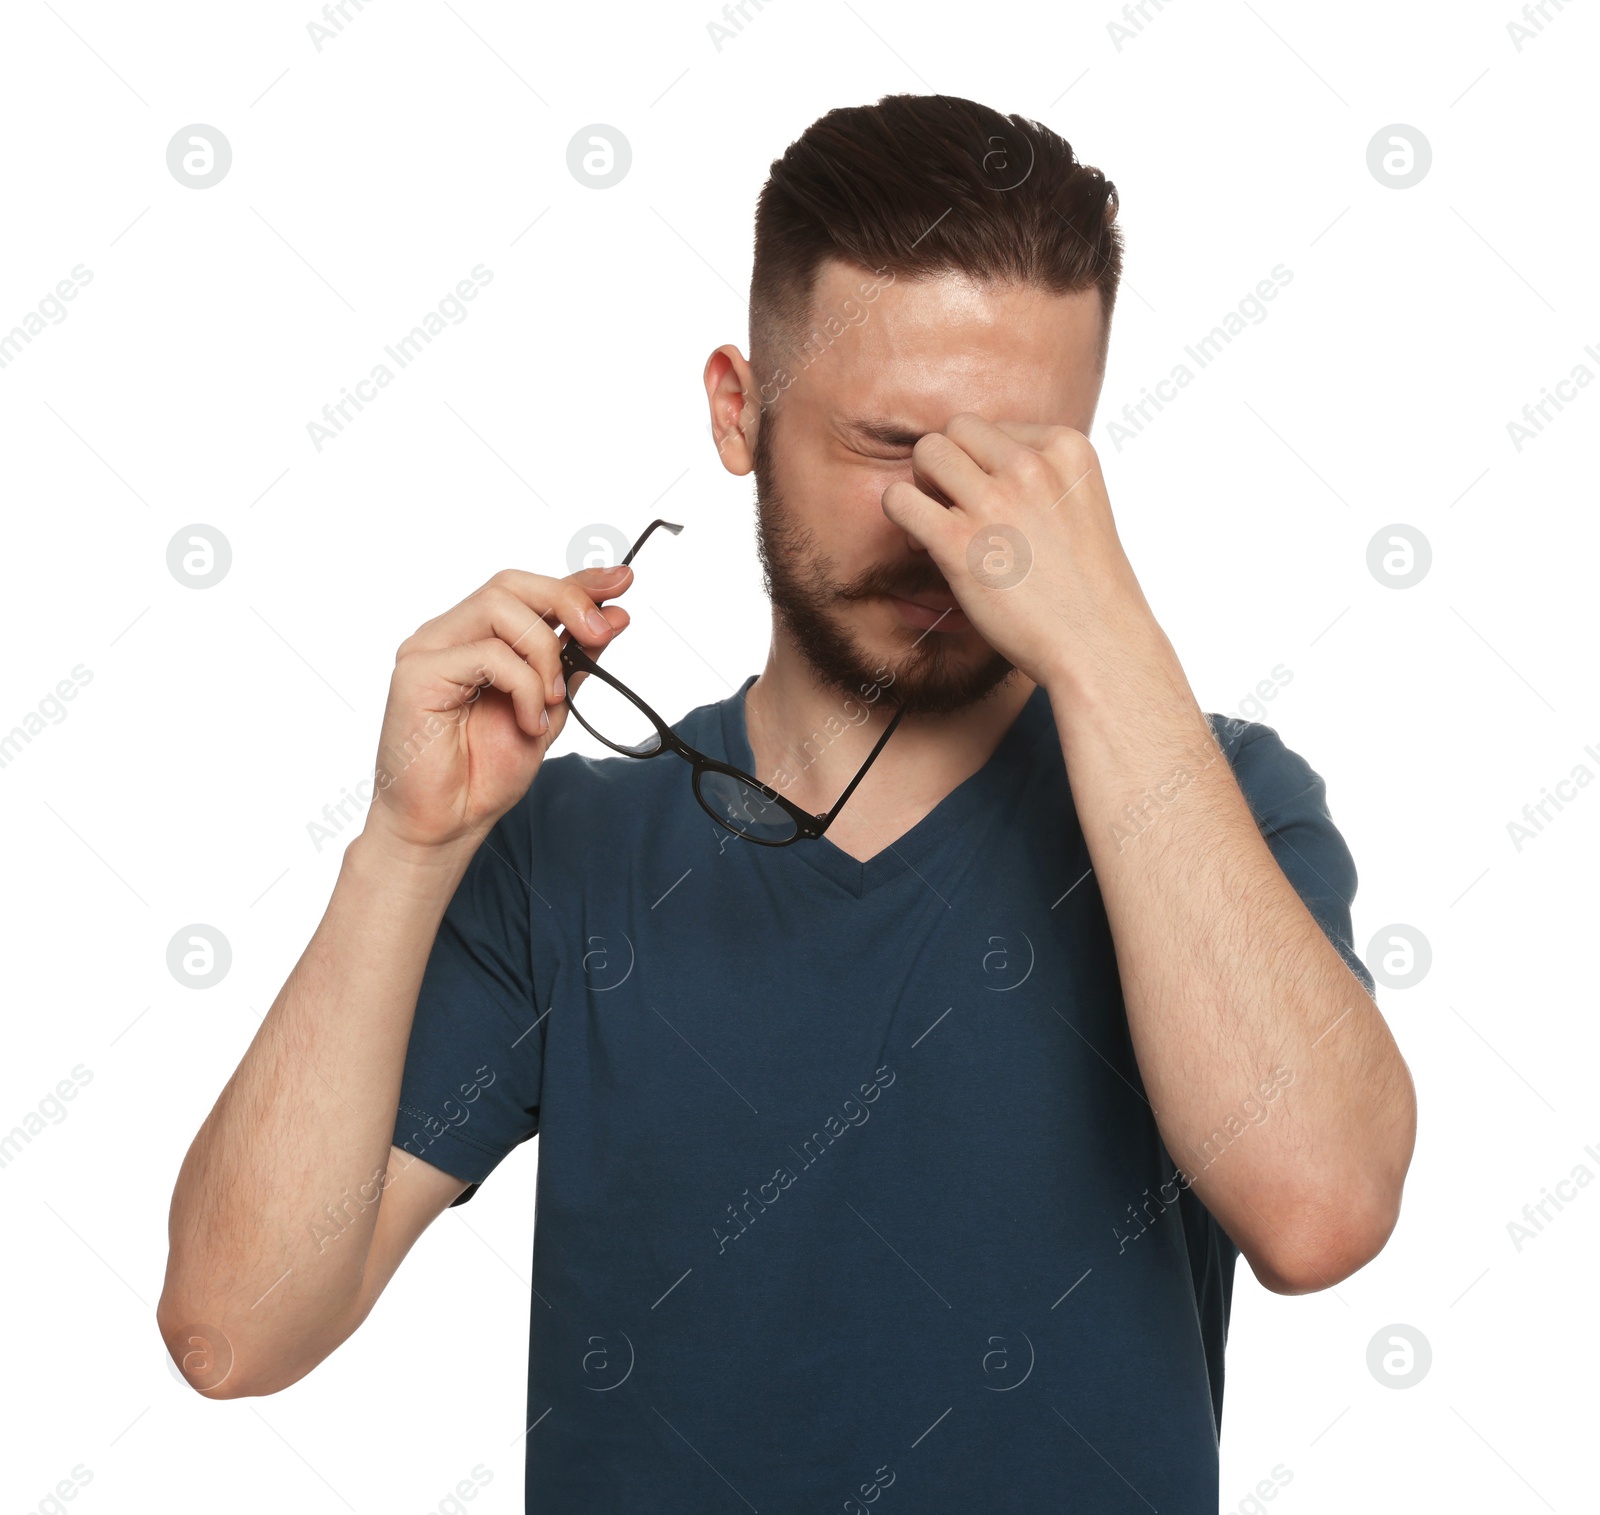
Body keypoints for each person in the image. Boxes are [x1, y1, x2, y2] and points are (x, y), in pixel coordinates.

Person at [158, 93, 1416, 1513]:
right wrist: (403, 850)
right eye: (890, 447)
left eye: (1016, 462)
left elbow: (1320, 1215)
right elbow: (229, 1330)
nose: (953, 528)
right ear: (737, 411)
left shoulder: (1225, 803)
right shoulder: (568, 857)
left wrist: (1107, 638)